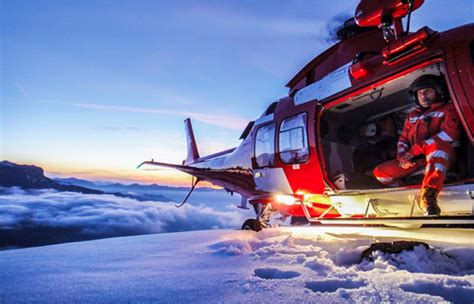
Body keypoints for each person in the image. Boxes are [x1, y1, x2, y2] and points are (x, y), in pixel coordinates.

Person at [373, 74, 461, 216]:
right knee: (380, 173)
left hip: (441, 156)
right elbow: (403, 139)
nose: (423, 95)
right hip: (415, 160)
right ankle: (406, 191)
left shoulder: (448, 108)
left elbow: (449, 135)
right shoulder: (412, 116)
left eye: (428, 91)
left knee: (438, 149)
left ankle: (428, 196)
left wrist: (414, 152)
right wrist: (402, 157)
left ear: (438, 92)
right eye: (420, 93)